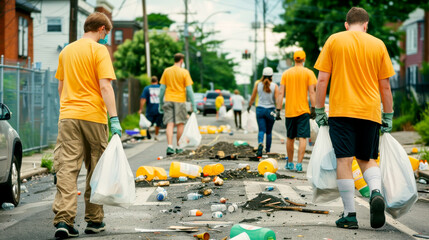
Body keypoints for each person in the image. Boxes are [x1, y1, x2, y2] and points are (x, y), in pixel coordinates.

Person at [314, 7, 394, 230]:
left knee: (344, 161)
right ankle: (376, 192)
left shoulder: (334, 40)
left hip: (341, 110)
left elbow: (322, 80)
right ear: (366, 25)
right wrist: (388, 114)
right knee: (367, 158)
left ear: (346, 24)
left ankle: (349, 215)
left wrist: (319, 109)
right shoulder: (378, 44)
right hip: (370, 111)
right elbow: (385, 86)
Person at [52, 12, 122, 239]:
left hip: (68, 117)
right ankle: (94, 221)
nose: (106, 38)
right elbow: (105, 87)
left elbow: (61, 88)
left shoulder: (66, 50)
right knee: (97, 169)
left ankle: (64, 220)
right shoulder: (100, 50)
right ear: (101, 29)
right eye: (107, 34)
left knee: (67, 168)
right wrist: (114, 118)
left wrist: (66, 113)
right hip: (93, 116)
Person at [276, 50, 317, 172]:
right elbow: (312, 92)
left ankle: (289, 163)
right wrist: (313, 108)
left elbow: (280, 92)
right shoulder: (309, 73)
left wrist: (278, 110)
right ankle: (299, 164)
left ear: (294, 60)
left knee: (290, 137)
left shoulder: (286, 73)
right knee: (303, 137)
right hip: (303, 111)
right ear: (304, 59)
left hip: (289, 111)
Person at [158, 53, 196, 155]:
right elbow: (189, 90)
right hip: (180, 100)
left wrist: (160, 103)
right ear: (182, 61)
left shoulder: (167, 71)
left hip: (169, 99)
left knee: (169, 124)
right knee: (180, 124)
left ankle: (169, 147)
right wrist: (194, 105)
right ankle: (179, 146)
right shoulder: (184, 72)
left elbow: (162, 89)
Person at [248, 67, 279, 158]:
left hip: (260, 110)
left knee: (261, 130)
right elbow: (277, 100)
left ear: (263, 75)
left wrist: (249, 106)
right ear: (271, 76)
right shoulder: (274, 86)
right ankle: (268, 150)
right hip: (270, 111)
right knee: (269, 132)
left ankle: (260, 143)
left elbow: (253, 97)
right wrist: (277, 110)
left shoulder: (258, 85)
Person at [138, 76, 162, 141]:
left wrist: (141, 108)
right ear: (157, 81)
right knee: (158, 123)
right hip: (159, 109)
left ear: (151, 82)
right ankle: (156, 135)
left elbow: (143, 99)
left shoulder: (147, 88)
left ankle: (147, 134)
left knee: (148, 123)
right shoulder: (161, 87)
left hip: (150, 109)